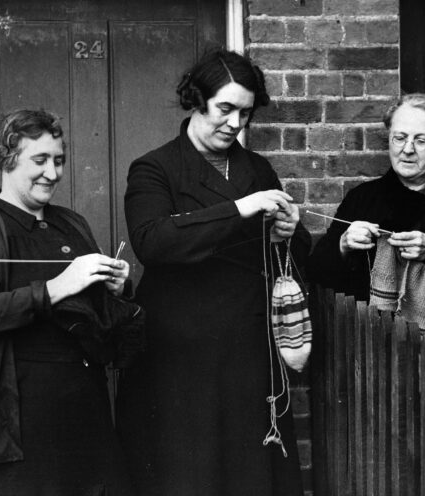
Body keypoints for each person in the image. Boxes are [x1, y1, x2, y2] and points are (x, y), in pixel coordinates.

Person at [117, 49, 311, 496]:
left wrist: (289, 233)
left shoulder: (258, 169)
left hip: (246, 349)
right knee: (187, 474)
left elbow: (293, 257)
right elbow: (153, 241)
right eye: (225, 109)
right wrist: (240, 208)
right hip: (178, 355)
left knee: (248, 475)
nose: (235, 123)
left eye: (244, 113)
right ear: (196, 100)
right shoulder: (155, 168)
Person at [0, 109, 136, 495]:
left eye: (58, 160)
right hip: (19, 418)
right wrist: (57, 287)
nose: (53, 173)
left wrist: (116, 288)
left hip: (82, 408)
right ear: (7, 160)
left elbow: (98, 314)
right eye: (39, 160)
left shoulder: (71, 223)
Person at [307, 93, 425, 359]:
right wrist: (343, 245)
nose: (407, 149)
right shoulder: (363, 199)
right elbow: (317, 273)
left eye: (421, 140)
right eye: (400, 138)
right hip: (372, 353)